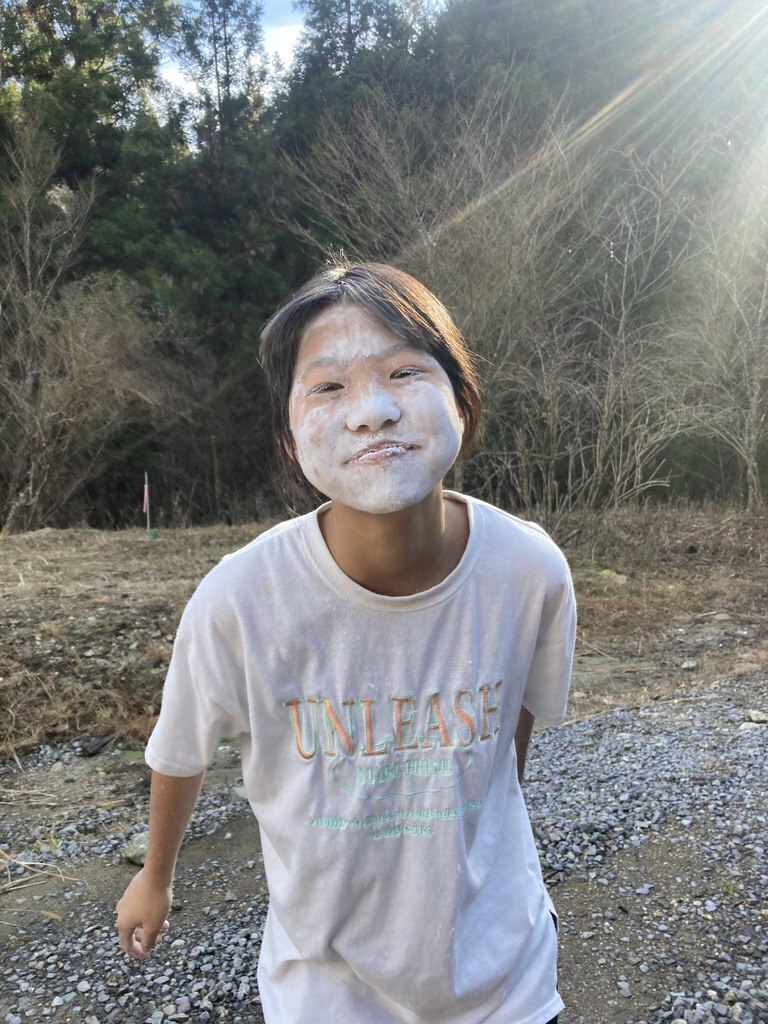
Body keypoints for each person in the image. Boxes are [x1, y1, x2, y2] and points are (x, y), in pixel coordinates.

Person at [116, 261, 576, 1024]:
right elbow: (179, 751)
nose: (371, 412)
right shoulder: (239, 601)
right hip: (324, 994)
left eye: (403, 371)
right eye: (327, 387)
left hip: (506, 983)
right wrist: (154, 877)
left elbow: (510, 730)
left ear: (463, 401)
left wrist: (475, 829)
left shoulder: (529, 571)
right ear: (290, 439)